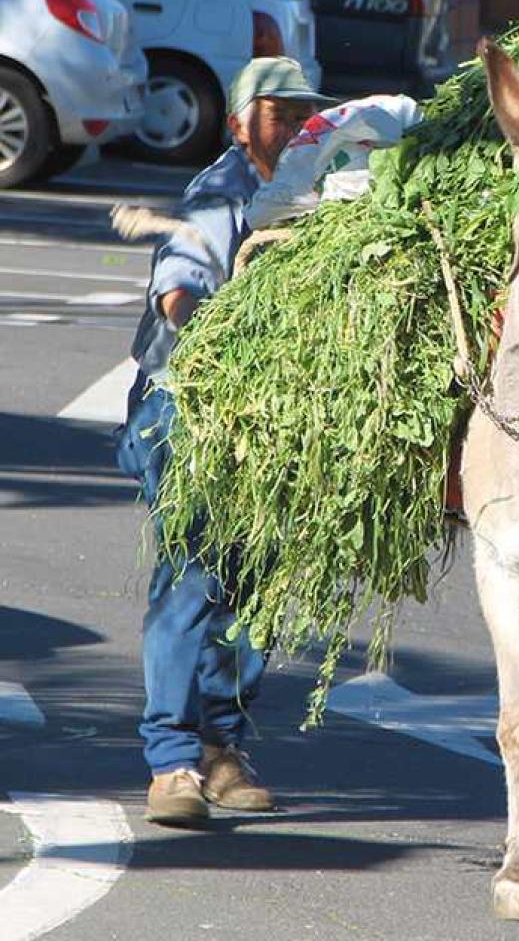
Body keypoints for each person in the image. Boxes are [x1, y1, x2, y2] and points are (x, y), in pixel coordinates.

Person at [115, 56, 336, 828]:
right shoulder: (220, 195)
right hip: (185, 411)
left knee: (255, 585)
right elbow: (178, 295)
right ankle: (171, 759)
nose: (295, 124)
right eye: (278, 111)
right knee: (193, 575)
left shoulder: (318, 199)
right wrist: (239, 341)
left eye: (305, 112)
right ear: (241, 121)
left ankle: (222, 746)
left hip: (268, 421)